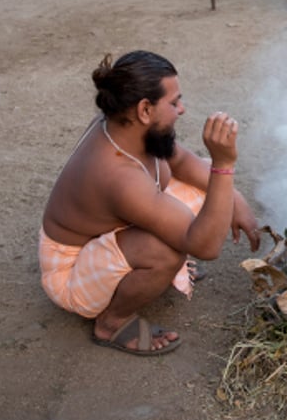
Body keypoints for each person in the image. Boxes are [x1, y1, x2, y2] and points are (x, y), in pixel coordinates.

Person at [39, 51, 261, 356]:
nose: (182, 109)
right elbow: (207, 248)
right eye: (174, 103)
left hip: (106, 233)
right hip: (71, 273)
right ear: (145, 109)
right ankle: (111, 323)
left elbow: (183, 160)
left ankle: (152, 273)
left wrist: (235, 198)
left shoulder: (125, 125)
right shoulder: (119, 176)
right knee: (167, 250)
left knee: (208, 187)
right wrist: (224, 164)